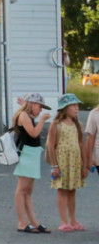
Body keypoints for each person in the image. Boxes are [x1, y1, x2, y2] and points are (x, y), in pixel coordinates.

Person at [12, 92, 51, 233]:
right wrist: (42, 120)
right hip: (26, 153)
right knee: (22, 189)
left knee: (28, 190)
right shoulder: (23, 116)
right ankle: (22, 222)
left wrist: (27, 107)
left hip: (32, 153)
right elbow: (33, 133)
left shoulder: (26, 115)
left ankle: (33, 222)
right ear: (33, 104)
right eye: (40, 107)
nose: (40, 110)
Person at [47, 93, 86, 232]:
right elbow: (51, 145)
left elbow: (81, 144)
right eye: (73, 106)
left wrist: (84, 164)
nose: (77, 109)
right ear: (65, 108)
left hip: (74, 161)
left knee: (72, 190)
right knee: (62, 189)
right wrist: (55, 165)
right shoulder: (56, 125)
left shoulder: (78, 125)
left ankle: (73, 220)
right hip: (62, 161)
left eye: (77, 106)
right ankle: (64, 221)